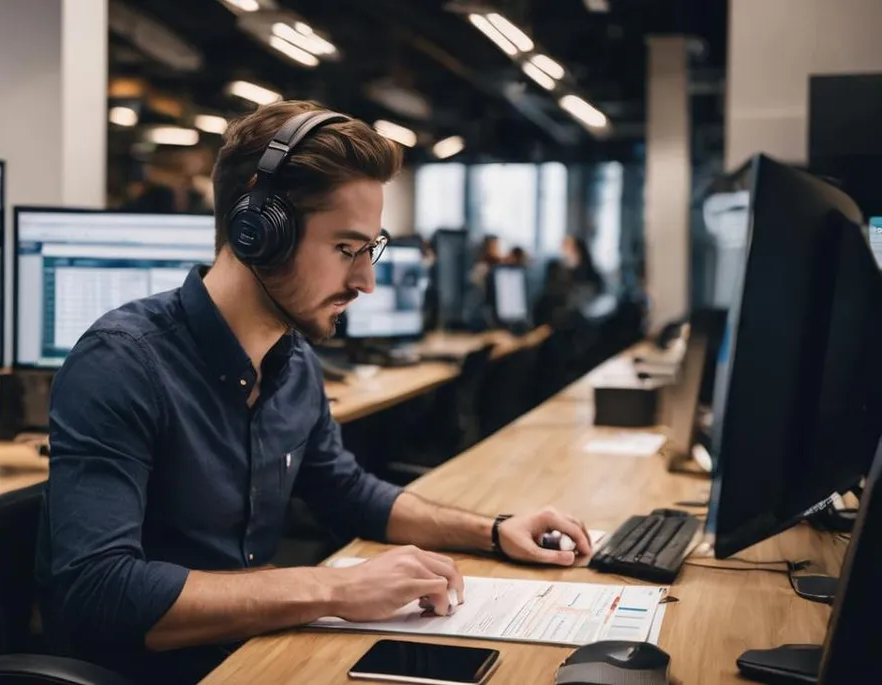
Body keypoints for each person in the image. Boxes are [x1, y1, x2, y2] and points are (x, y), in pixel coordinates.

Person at [35, 100, 593, 685]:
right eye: (346, 249)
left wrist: (494, 530)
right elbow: (99, 594)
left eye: (368, 250)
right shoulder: (122, 363)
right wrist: (336, 587)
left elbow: (347, 492)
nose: (366, 281)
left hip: (262, 652)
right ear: (259, 231)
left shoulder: (293, 362)